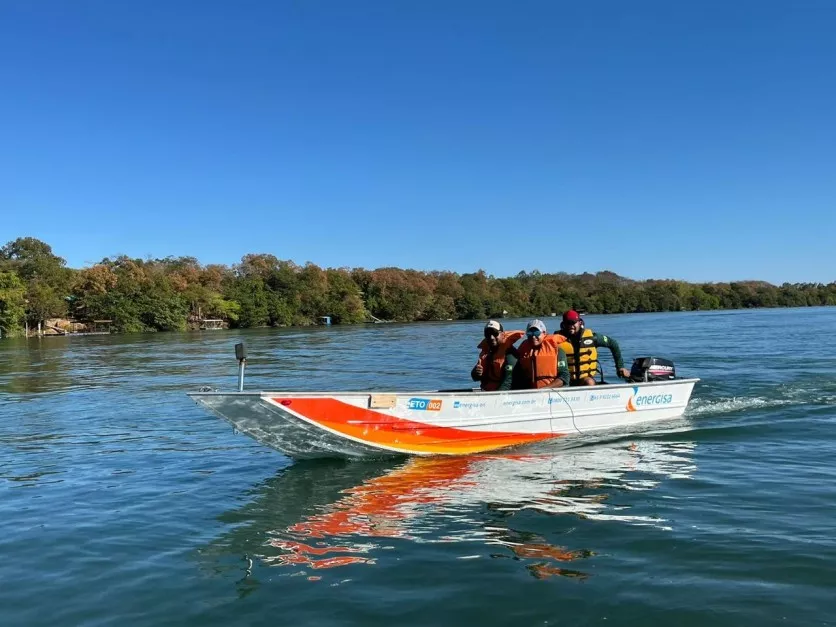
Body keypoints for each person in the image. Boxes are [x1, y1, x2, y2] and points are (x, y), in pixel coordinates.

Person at [557, 310, 630, 386]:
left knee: (589, 382)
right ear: (563, 324)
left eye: (573, 322)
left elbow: (613, 344)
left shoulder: (593, 338)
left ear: (580, 322)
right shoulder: (555, 339)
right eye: (568, 323)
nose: (571, 326)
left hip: (584, 379)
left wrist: (620, 367)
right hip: (565, 380)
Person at [511, 319, 570, 389]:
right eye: (530, 333)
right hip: (530, 394)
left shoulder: (558, 351)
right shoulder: (523, 351)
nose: (533, 337)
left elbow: (564, 377)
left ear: (544, 333)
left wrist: (544, 389)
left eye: (536, 333)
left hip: (553, 393)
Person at [471, 321, 524, 391]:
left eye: (495, 333)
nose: (491, 337)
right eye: (488, 334)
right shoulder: (487, 353)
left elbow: (508, 381)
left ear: (502, 334)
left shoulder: (510, 354)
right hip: (489, 392)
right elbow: (475, 378)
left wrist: (495, 398)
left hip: (508, 395)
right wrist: (476, 373)